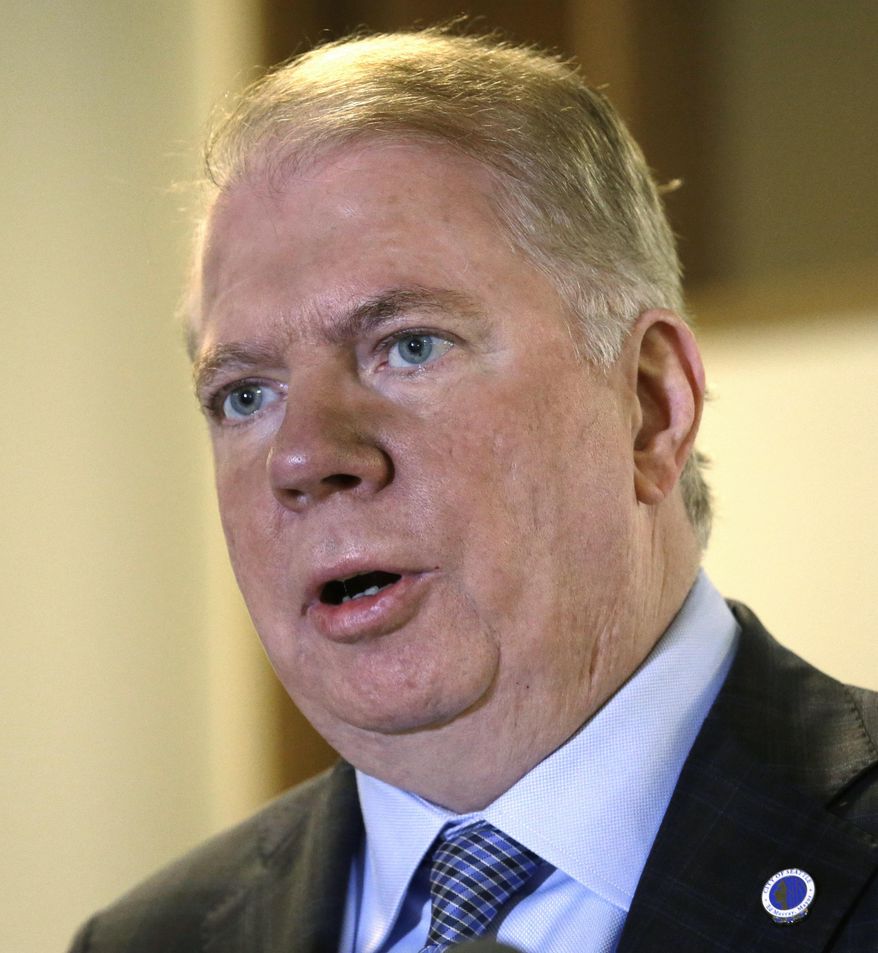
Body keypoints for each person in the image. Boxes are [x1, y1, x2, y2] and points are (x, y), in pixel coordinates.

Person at [68, 28, 878, 953]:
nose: (302, 458)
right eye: (245, 396)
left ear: (651, 405)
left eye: (407, 345)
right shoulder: (150, 940)